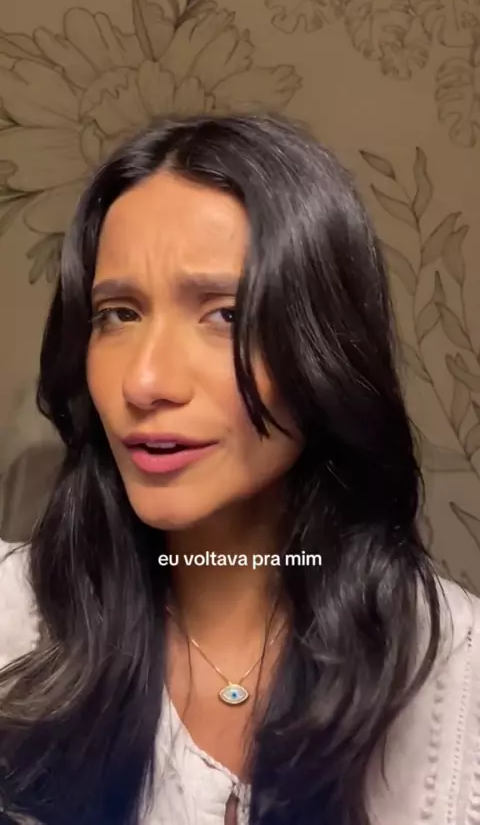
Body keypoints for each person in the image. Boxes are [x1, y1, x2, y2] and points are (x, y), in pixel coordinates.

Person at [0, 113, 478, 825]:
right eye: (118, 314)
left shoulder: (458, 670)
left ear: (325, 346)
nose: (145, 382)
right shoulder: (13, 619)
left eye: (225, 315)